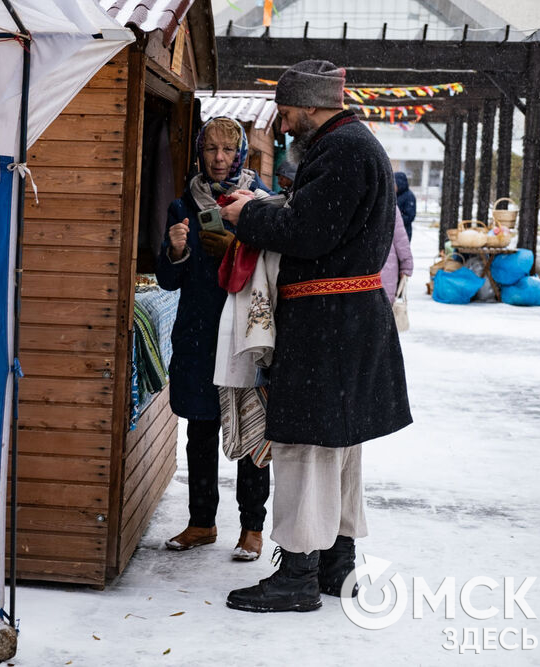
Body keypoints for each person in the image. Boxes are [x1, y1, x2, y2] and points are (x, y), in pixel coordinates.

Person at [220, 60, 412, 612]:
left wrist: (247, 217)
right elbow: (323, 221)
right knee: (338, 445)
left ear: (308, 105)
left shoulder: (342, 148)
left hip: (329, 323)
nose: (282, 123)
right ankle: (336, 564)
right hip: (346, 320)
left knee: (306, 446)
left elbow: (310, 232)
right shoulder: (353, 144)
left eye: (284, 111)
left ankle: (299, 576)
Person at [156, 116, 272, 561]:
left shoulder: (261, 202)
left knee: (252, 430)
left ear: (240, 152)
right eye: (211, 149)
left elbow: (276, 265)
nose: (219, 158)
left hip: (246, 331)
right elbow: (169, 282)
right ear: (200, 153)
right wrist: (177, 251)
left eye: (227, 149)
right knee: (200, 430)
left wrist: (239, 248)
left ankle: (252, 528)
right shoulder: (183, 205)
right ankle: (201, 522)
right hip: (200, 334)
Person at [381, 208, 414, 302]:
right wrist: (406, 266)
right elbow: (400, 239)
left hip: (356, 276)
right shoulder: (389, 204)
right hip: (385, 266)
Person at [395, 172, 416, 241]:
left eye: (394, 184)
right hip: (394, 232)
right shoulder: (394, 195)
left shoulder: (409, 196)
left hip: (404, 232)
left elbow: (410, 216)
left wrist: (395, 219)